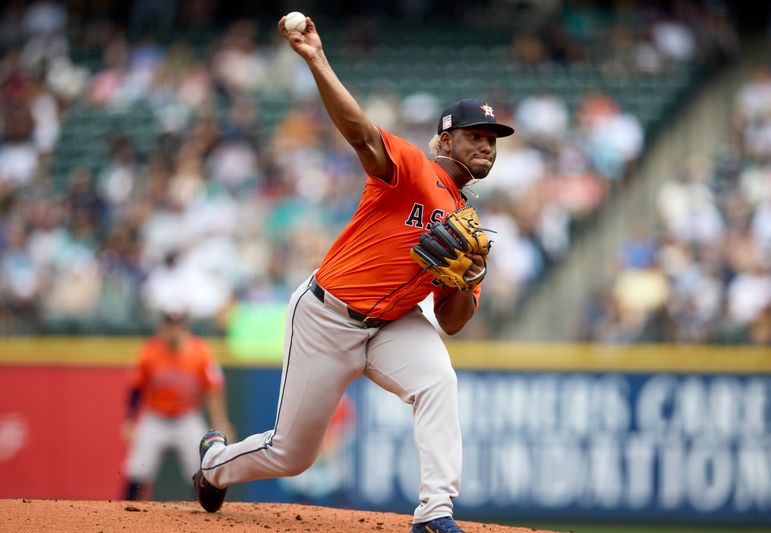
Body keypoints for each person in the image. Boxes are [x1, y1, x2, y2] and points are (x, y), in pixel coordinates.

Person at [192, 14, 514, 533]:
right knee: (291, 455)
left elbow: (452, 322)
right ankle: (213, 465)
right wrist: (316, 59)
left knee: (438, 381)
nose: (486, 146)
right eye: (475, 135)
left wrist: (459, 282)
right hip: (327, 315)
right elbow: (362, 133)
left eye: (493, 140)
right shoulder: (412, 168)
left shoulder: (472, 230)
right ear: (445, 141)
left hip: (394, 324)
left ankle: (435, 512)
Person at [121, 310, 234, 500]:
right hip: (156, 418)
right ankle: (125, 515)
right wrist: (129, 419)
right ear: (162, 328)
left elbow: (214, 389)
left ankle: (204, 517)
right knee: (138, 468)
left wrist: (221, 422)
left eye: (178, 326)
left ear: (185, 327)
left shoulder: (200, 352)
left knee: (203, 469)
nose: (174, 331)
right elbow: (136, 387)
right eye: (170, 326)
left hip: (187, 418)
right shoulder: (150, 350)